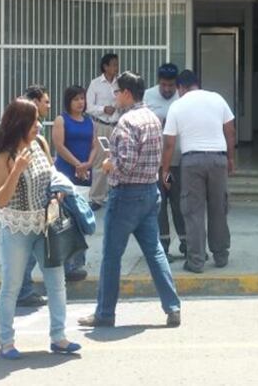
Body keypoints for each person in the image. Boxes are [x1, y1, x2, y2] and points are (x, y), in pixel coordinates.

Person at [78, 72, 182, 329]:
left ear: (126, 93)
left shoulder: (126, 122)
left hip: (126, 195)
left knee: (112, 256)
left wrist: (108, 164)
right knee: (155, 251)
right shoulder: (153, 118)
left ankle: (105, 313)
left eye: (117, 92)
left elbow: (125, 163)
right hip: (149, 191)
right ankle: (172, 306)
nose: (115, 97)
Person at [0, 98, 80, 359]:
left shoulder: (40, 144)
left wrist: (57, 194)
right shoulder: (3, 157)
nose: (38, 126)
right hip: (17, 228)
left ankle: (59, 337)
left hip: (45, 226)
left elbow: (52, 176)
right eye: (33, 122)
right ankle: (6, 342)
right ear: (20, 124)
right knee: (12, 285)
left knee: (57, 281)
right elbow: (0, 200)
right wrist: (16, 170)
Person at [161, 70, 236, 273]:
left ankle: (196, 261)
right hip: (218, 159)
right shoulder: (217, 99)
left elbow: (169, 144)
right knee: (218, 208)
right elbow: (230, 131)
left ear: (180, 87)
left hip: (191, 162)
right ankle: (221, 255)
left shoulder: (177, 105)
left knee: (193, 211)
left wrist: (165, 172)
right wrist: (230, 158)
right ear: (197, 84)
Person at [52, 85, 98, 282]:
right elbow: (59, 146)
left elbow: (94, 146)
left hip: (84, 176)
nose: (80, 102)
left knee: (81, 218)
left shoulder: (90, 121)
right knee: (66, 220)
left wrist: (88, 163)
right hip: (66, 175)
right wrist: (77, 164)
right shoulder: (61, 120)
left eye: (82, 98)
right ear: (68, 102)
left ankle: (78, 263)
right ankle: (66, 264)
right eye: (76, 99)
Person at [16, 84, 53, 308]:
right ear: (35, 102)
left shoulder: (34, 126)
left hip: (36, 199)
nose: (49, 105)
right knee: (28, 250)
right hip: (26, 203)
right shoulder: (26, 128)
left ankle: (23, 289)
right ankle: (23, 291)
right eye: (46, 101)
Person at [145, 63, 187, 260]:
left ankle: (187, 243)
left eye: (171, 85)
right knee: (160, 204)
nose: (167, 89)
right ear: (158, 82)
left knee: (179, 203)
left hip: (177, 163)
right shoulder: (148, 96)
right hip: (157, 164)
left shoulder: (183, 96)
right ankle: (163, 246)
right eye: (164, 85)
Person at [86, 53, 121, 207]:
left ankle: (115, 196)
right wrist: (103, 109)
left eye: (117, 64)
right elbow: (88, 107)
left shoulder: (121, 83)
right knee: (100, 161)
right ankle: (96, 198)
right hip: (101, 126)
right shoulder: (95, 84)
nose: (116, 67)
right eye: (113, 65)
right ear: (105, 66)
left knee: (118, 161)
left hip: (118, 126)